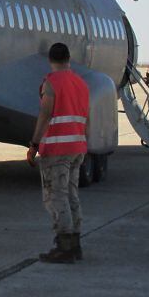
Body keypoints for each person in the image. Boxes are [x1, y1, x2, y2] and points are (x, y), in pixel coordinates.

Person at [27, 42, 90, 264]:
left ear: (50, 60)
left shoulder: (51, 84)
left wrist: (34, 144)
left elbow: (45, 115)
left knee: (56, 197)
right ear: (68, 59)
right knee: (72, 195)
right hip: (77, 148)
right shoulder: (81, 83)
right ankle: (76, 245)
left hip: (56, 149)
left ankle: (64, 247)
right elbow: (86, 118)